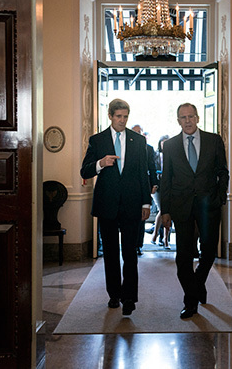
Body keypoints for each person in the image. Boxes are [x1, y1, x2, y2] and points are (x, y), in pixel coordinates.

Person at [80, 99, 151, 316]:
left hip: (132, 205)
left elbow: (143, 173)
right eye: (118, 116)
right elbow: (84, 172)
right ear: (110, 116)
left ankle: (129, 298)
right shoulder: (97, 140)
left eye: (125, 117)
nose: (122, 120)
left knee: (130, 253)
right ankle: (114, 295)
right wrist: (101, 164)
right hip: (106, 206)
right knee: (110, 254)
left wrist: (146, 202)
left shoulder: (138, 141)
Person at [161, 103, 229, 319]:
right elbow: (166, 179)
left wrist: (219, 197)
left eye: (191, 116)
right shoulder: (170, 145)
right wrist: (165, 210)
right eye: (183, 117)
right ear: (178, 120)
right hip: (182, 207)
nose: (188, 121)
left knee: (208, 252)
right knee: (183, 257)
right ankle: (190, 301)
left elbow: (222, 172)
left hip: (209, 205)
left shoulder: (214, 140)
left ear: (198, 118)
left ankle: (198, 283)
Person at [131, 124, 158, 255]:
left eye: (139, 132)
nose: (137, 134)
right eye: (134, 131)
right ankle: (130, 244)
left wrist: (154, 184)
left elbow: (152, 167)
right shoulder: (126, 146)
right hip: (129, 186)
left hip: (144, 185)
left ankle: (138, 245)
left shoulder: (149, 148)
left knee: (142, 217)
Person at [150, 135, 171, 249]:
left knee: (168, 211)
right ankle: (156, 235)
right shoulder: (156, 155)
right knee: (163, 210)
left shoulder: (173, 155)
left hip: (169, 187)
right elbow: (151, 168)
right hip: (158, 186)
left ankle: (164, 238)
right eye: (163, 143)